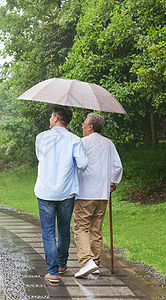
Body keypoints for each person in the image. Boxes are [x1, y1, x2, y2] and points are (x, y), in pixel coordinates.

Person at [35, 105, 88, 284]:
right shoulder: (75, 140)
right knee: (64, 230)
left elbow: (40, 158)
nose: (50, 119)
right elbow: (82, 164)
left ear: (56, 118)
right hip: (66, 193)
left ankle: (53, 272)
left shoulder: (41, 137)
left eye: (51, 116)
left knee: (48, 232)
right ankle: (62, 265)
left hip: (45, 192)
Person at [73, 113, 123, 278]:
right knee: (95, 229)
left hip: (85, 193)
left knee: (80, 227)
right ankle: (95, 262)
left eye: (84, 123)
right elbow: (117, 166)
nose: (82, 125)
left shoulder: (82, 142)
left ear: (90, 126)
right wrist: (112, 181)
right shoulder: (108, 143)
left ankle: (87, 261)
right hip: (102, 194)